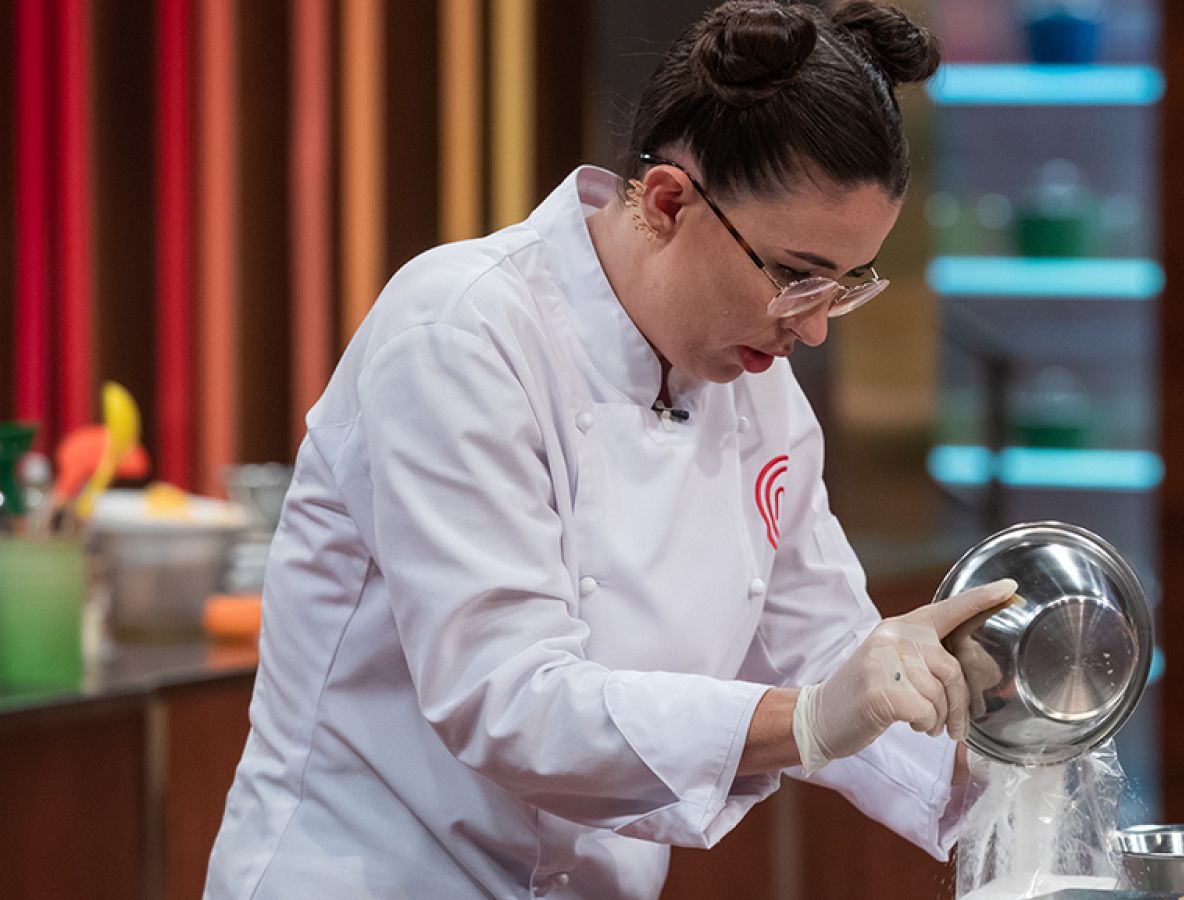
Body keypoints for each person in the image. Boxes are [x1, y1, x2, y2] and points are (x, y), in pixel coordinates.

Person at [204, 2, 1015, 897]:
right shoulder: (461, 333)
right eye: (796, 277)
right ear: (668, 202)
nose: (816, 328)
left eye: (847, 285)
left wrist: (997, 744)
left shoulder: (759, 390)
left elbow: (824, 649)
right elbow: (510, 700)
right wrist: (819, 718)